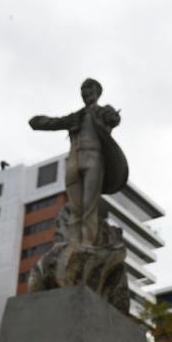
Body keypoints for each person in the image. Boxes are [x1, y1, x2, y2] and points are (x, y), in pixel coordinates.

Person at [28, 78, 127, 248]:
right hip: (74, 160)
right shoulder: (76, 116)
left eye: (89, 90)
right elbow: (51, 122)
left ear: (97, 93)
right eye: (83, 90)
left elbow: (114, 119)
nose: (86, 93)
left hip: (94, 158)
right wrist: (37, 121)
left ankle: (87, 244)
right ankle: (73, 244)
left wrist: (113, 117)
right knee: (75, 207)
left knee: (89, 206)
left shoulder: (103, 111)